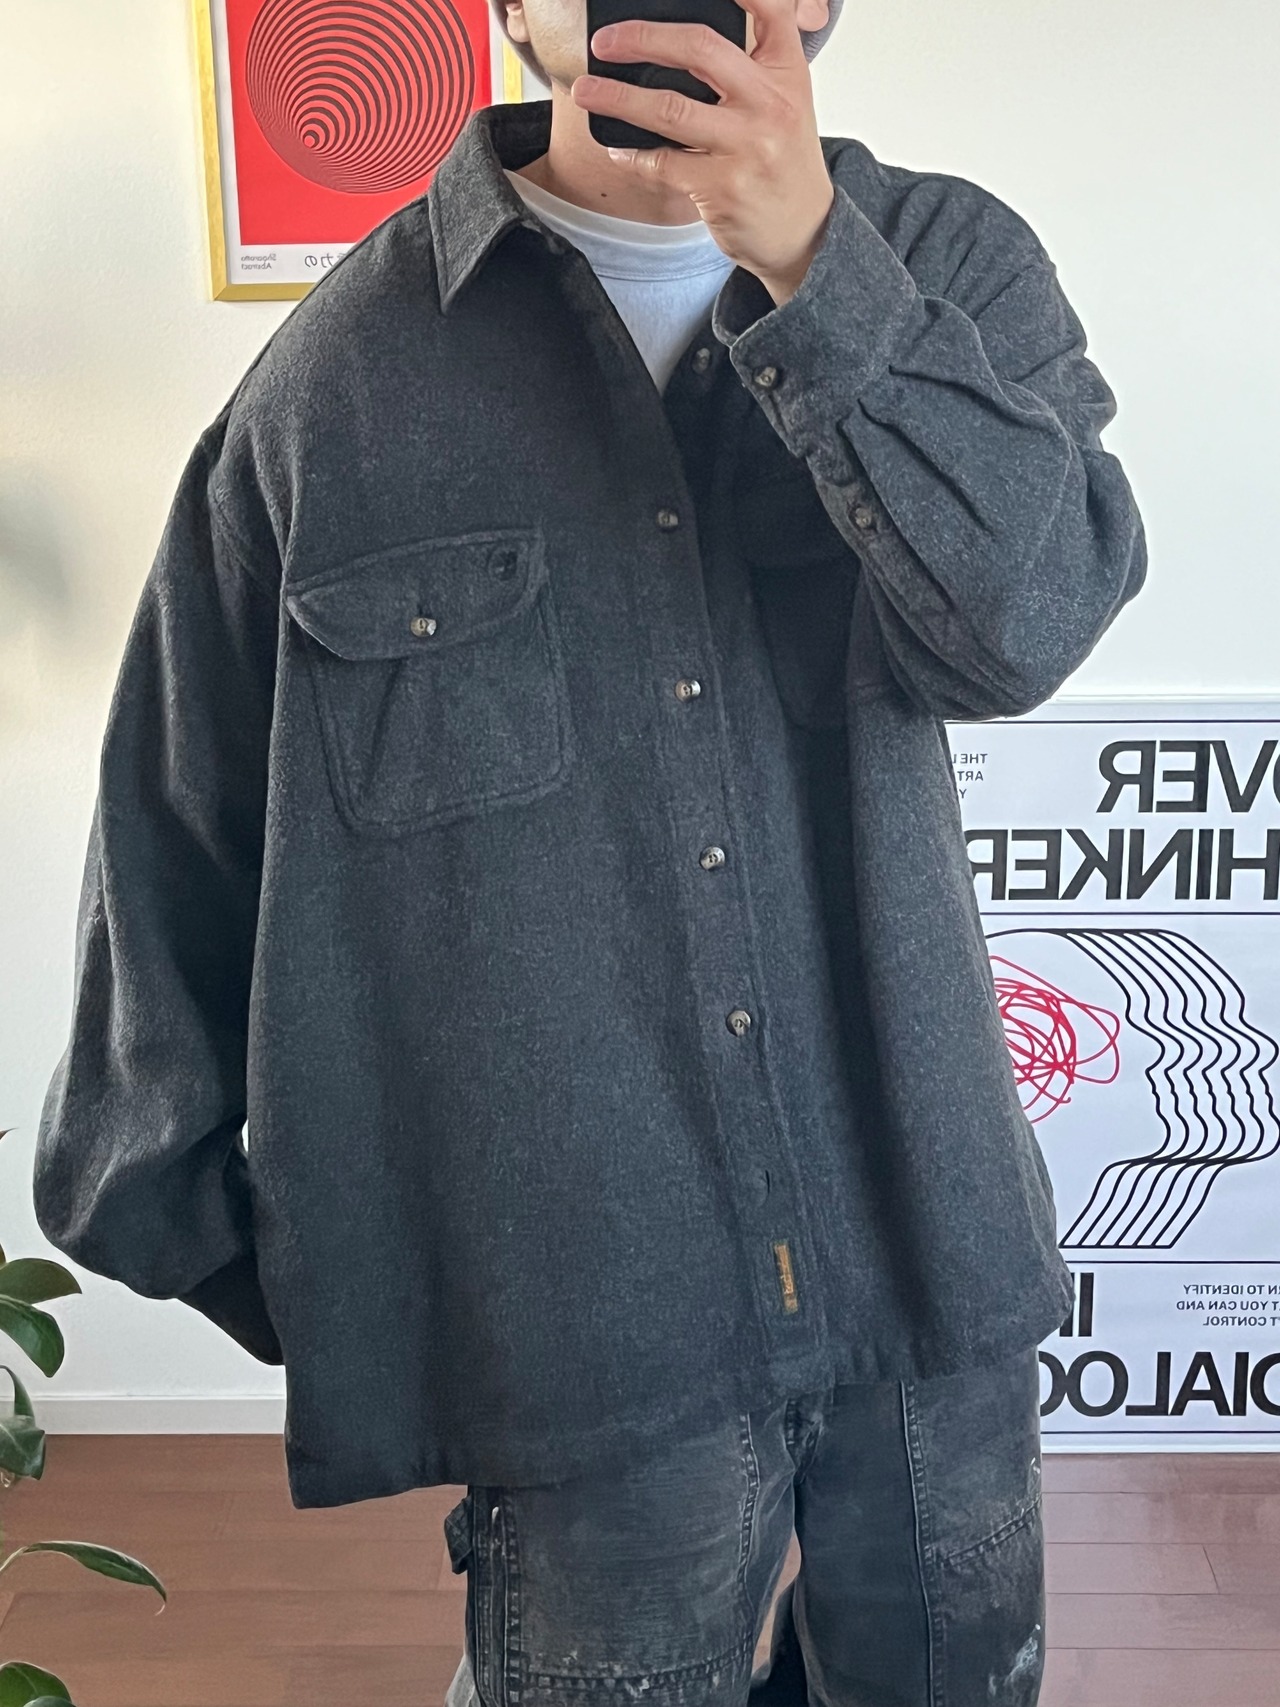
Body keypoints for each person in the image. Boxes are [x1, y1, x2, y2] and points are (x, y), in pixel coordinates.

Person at [31, 0, 1147, 1699]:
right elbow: (175, 846)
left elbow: (1029, 626)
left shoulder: (950, 268)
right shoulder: (336, 388)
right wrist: (388, 1274)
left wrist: (820, 276)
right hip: (579, 1315)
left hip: (922, 1253)